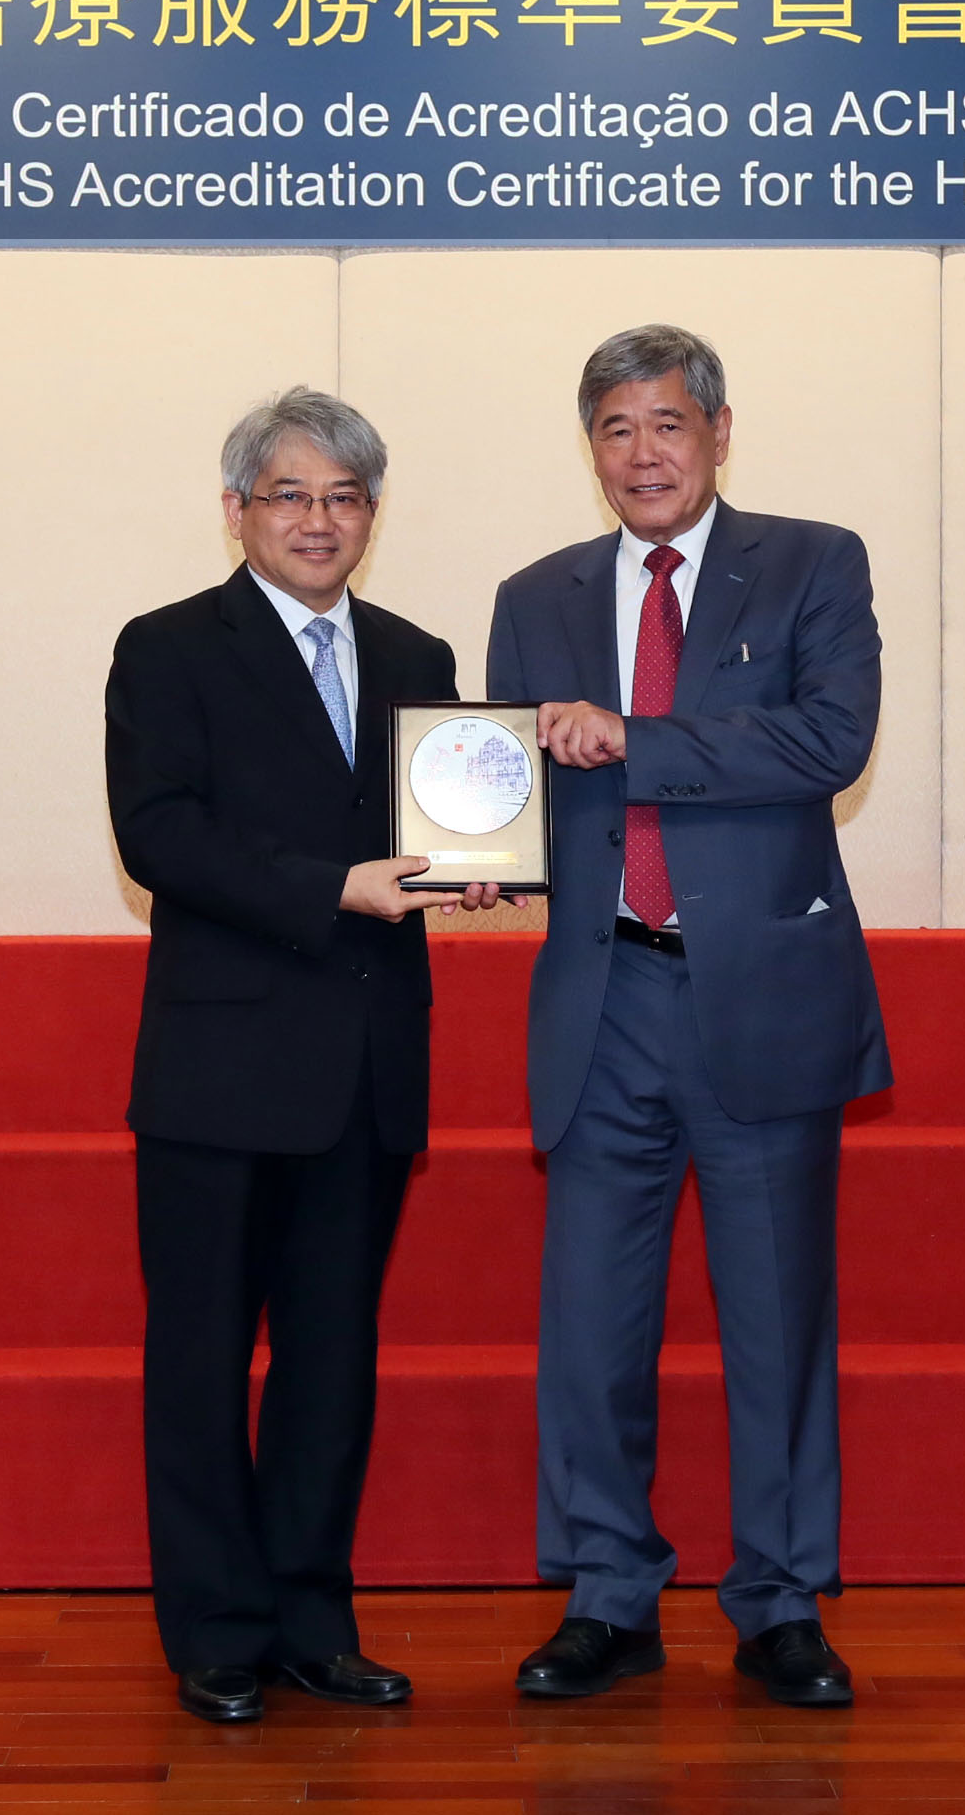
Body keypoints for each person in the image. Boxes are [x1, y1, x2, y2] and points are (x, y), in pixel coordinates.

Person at [485, 324, 889, 1710]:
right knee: (591, 1326)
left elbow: (829, 739)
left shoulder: (813, 562)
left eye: (667, 423)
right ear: (589, 447)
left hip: (760, 999)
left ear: (718, 432)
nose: (643, 452)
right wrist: (464, 843)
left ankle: (782, 1603)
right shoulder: (534, 595)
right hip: (602, 1000)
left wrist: (634, 738)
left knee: (777, 1322)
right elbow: (511, 791)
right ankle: (608, 1594)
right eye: (616, 428)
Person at [104, 386, 487, 1724]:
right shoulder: (167, 648)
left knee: (332, 1364)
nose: (318, 521)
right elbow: (159, 834)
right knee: (201, 1361)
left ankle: (315, 1621)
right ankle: (216, 1630)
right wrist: (332, 887)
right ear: (238, 511)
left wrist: (478, 867)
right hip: (219, 1072)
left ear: (372, 515)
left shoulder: (416, 652)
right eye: (290, 496)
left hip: (365, 1072)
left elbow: (451, 822)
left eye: (343, 498)